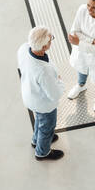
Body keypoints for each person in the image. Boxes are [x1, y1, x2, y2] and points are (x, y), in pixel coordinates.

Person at [17, 26, 65, 161]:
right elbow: (54, 94)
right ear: (44, 47)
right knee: (47, 125)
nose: (51, 41)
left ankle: (36, 140)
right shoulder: (43, 71)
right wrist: (59, 81)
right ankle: (42, 151)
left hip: (30, 95)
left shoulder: (23, 49)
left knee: (39, 119)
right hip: (43, 103)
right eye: (51, 40)